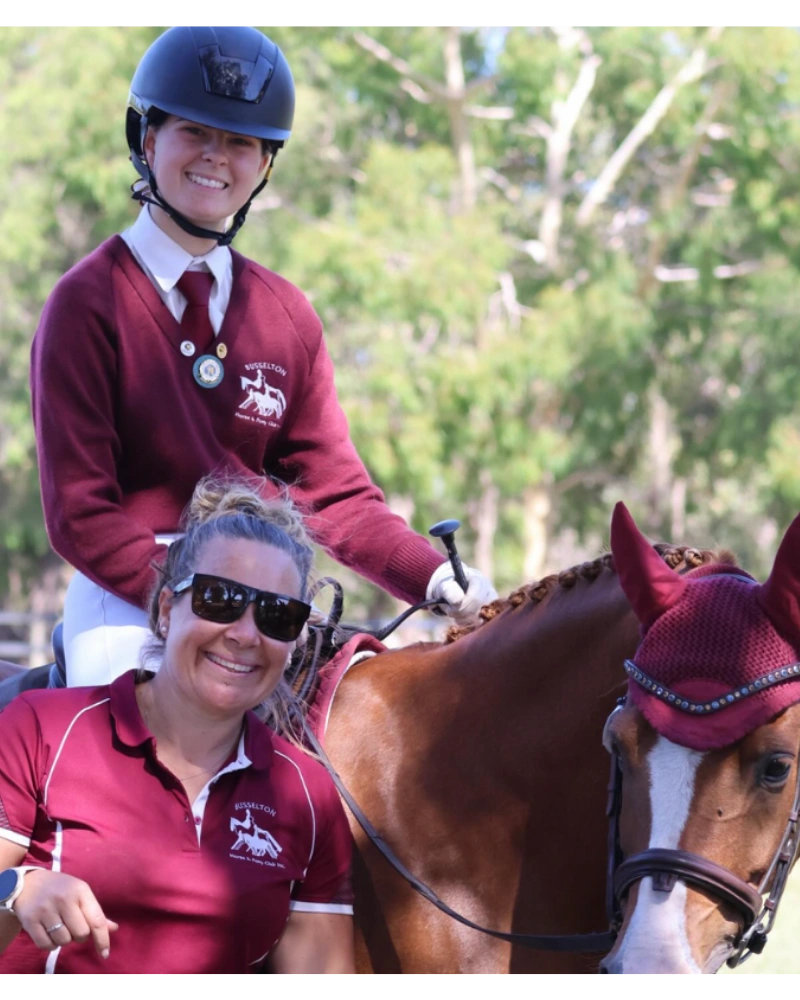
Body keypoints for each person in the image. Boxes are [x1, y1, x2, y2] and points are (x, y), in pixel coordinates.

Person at [30, 24, 497, 688]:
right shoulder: (86, 301)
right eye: (196, 132)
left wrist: (431, 576)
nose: (216, 157)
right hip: (127, 598)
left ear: (266, 164)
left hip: (258, 598)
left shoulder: (286, 316)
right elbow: (81, 512)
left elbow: (336, 499)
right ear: (149, 139)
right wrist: (188, 593)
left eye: (241, 143)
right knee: (119, 743)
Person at [0, 478, 355, 976]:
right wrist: (15, 889)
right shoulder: (40, 729)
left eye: (278, 614)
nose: (245, 634)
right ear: (166, 610)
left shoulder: (308, 793)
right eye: (219, 599)